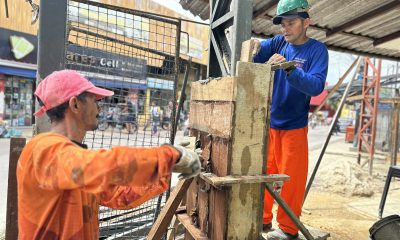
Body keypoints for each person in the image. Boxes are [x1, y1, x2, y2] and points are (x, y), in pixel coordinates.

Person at [17, 70, 201, 239]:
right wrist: (169, 156)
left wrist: (165, 171)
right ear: (75, 104)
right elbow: (105, 166)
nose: (100, 107)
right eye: (94, 100)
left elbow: (119, 195)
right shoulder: (41, 149)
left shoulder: (75, 162)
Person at [252, 0, 328, 239]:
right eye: (282, 24)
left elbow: (315, 86)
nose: (285, 29)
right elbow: (253, 58)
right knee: (264, 174)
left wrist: (290, 68)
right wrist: (254, 46)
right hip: (269, 124)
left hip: (295, 126)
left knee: (291, 182)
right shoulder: (276, 42)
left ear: (307, 22)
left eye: (291, 23)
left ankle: (287, 229)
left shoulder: (317, 50)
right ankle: (261, 221)